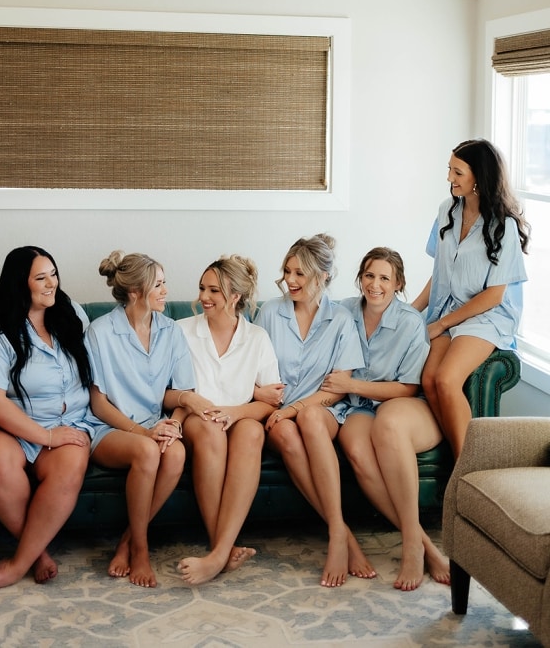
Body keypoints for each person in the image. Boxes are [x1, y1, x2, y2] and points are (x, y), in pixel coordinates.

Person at [0, 246, 92, 595]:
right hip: (18, 427)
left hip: (71, 423)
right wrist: (45, 436)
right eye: (41, 278)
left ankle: (16, 565)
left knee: (71, 461)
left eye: (53, 274)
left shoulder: (72, 315)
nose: (52, 284)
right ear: (20, 284)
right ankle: (37, 555)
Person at [325, 247, 445, 591]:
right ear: (360, 278)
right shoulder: (343, 311)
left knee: (388, 424)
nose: (374, 285)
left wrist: (350, 384)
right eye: (369, 275)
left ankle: (411, 548)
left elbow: (408, 387)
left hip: (402, 404)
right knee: (357, 451)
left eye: (384, 278)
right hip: (358, 408)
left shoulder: (410, 322)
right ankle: (424, 543)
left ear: (398, 284)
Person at [257, 233, 367, 587]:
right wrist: (265, 396)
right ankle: (342, 533)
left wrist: (297, 408)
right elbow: (250, 369)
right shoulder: (270, 313)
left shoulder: (342, 320)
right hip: (276, 415)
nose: (290, 280)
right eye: (287, 271)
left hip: (322, 410)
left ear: (322, 277)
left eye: (299, 273)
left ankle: (336, 535)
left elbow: (338, 388)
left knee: (307, 418)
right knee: (287, 430)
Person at [83, 250, 198, 588]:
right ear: (135, 291)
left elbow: (184, 391)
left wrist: (174, 424)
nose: (166, 291)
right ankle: (141, 550)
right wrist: (143, 433)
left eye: (164, 283)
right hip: (110, 429)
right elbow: (98, 404)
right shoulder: (100, 332)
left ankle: (127, 541)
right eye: (158, 285)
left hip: (156, 424)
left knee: (176, 453)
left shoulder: (171, 331)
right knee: (148, 451)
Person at [411, 139, 530, 458]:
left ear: (479, 176)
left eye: (457, 172)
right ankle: (461, 458)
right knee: (429, 379)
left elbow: (494, 295)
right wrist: (411, 312)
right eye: (449, 169)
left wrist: (441, 325)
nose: (449, 177)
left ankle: (468, 468)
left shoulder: (503, 226)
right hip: (449, 309)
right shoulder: (446, 210)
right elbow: (439, 273)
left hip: (486, 317)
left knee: (446, 380)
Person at [174, 256, 283, 585]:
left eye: (214, 291)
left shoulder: (257, 337)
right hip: (198, 419)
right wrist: (206, 409)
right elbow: (171, 389)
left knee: (252, 434)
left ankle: (218, 554)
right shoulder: (181, 331)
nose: (204, 297)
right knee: (211, 431)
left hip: (239, 415)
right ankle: (219, 547)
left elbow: (270, 402)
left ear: (235, 296)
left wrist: (235, 412)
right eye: (202, 288)